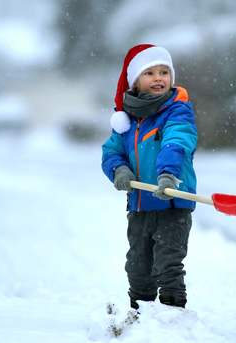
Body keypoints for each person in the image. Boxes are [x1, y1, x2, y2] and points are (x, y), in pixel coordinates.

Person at [101, 44, 198, 310]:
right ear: (135, 81)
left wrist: (168, 174)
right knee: (138, 266)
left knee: (168, 263)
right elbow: (111, 151)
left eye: (164, 72)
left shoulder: (178, 111)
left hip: (172, 200)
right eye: (150, 73)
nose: (158, 78)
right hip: (141, 204)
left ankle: (173, 316)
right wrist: (118, 170)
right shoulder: (126, 121)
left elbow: (177, 141)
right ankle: (139, 317)